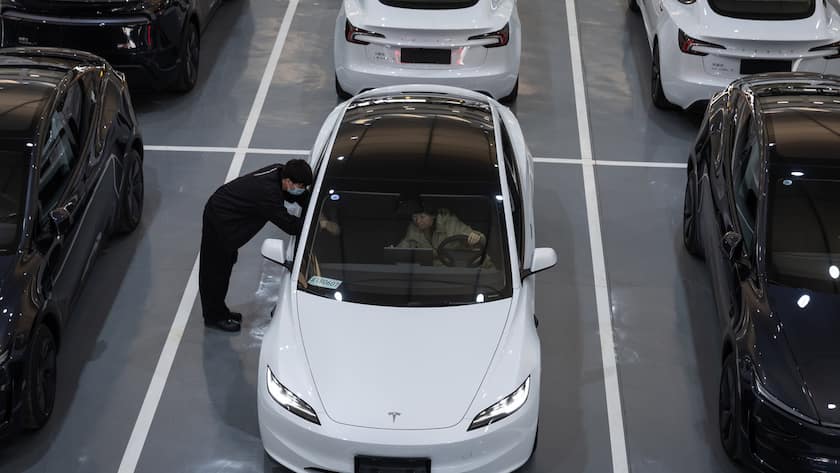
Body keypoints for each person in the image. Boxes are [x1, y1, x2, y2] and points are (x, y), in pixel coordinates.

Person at [200, 159, 313, 332]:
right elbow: (290, 225)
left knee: (225, 265)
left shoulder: (280, 172)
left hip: (227, 212)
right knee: (215, 271)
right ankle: (213, 317)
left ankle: (220, 310)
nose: (302, 190)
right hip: (221, 219)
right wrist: (316, 225)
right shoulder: (268, 194)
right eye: (300, 186)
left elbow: (296, 196)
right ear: (289, 182)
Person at [396, 200, 488, 266]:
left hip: (456, 268)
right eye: (415, 217)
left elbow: (477, 237)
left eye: (422, 217)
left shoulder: (450, 223)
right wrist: (395, 251)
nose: (418, 221)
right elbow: (404, 247)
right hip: (432, 272)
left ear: (433, 216)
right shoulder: (413, 228)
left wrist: (476, 237)